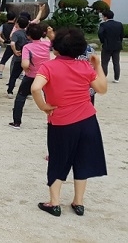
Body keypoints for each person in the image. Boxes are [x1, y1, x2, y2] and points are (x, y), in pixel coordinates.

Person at [30, 27, 107, 217]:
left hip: (62, 122)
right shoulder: (85, 67)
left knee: (58, 160)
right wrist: (97, 66)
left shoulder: (49, 66)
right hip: (88, 120)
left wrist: (43, 106)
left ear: (56, 48)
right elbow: (102, 89)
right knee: (83, 160)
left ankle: (54, 203)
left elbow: (35, 88)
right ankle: (78, 203)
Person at [8, 23, 50, 129]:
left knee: (21, 97)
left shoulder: (27, 47)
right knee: (49, 98)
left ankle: (17, 122)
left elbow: (25, 64)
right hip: (45, 75)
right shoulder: (47, 44)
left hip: (31, 75)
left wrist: (25, 68)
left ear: (28, 35)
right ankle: (52, 121)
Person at [6, 15, 29, 99]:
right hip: (28, 58)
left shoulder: (16, 34)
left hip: (18, 57)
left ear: (17, 24)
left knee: (14, 76)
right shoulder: (28, 33)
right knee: (28, 76)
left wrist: (15, 51)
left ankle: (10, 91)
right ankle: (27, 92)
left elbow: (12, 43)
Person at [98, 9, 123, 83]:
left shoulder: (103, 24)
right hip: (117, 45)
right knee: (116, 62)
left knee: (104, 62)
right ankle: (116, 78)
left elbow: (100, 33)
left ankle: (104, 76)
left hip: (107, 45)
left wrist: (103, 41)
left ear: (105, 17)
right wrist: (119, 42)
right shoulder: (119, 24)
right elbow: (121, 35)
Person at [0, 12, 17, 79]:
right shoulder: (16, 26)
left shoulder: (3, 25)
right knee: (19, 60)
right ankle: (21, 74)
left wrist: (4, 41)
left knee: (4, 59)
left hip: (9, 44)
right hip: (17, 44)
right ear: (15, 18)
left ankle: (0, 73)